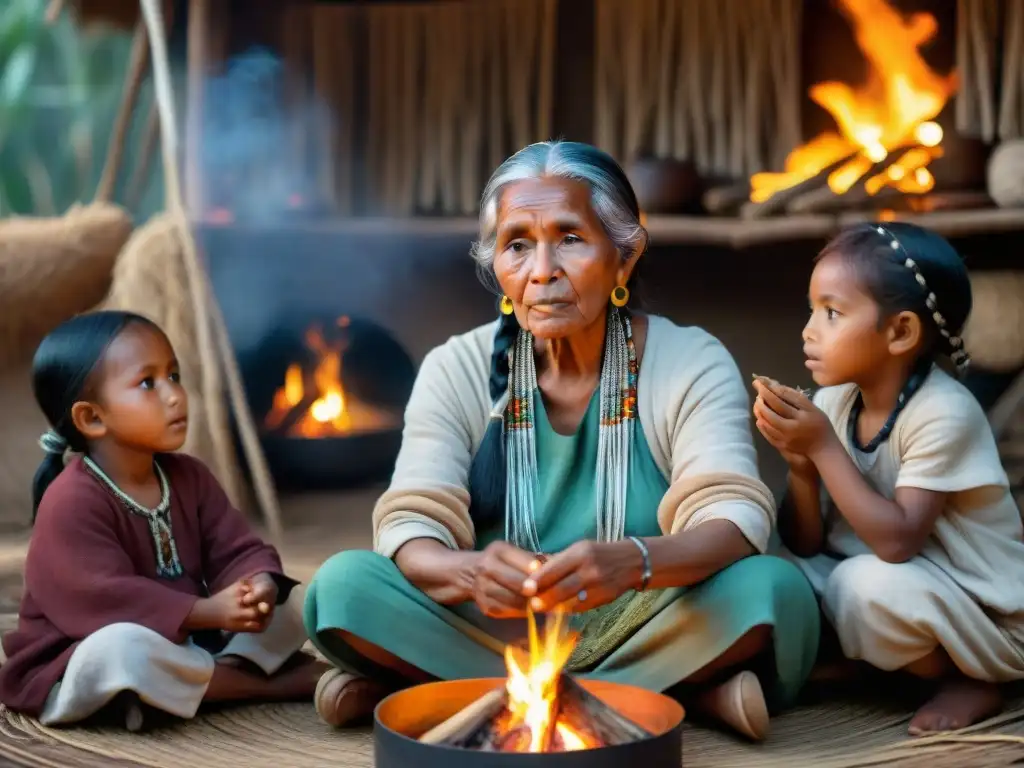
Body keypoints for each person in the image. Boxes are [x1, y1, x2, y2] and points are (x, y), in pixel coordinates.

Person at [304, 141, 820, 742]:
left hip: (648, 616)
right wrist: (469, 573)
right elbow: (412, 522)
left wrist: (634, 561)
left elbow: (732, 519)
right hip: (493, 630)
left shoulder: (689, 360)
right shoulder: (457, 367)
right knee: (341, 588)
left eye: (570, 239)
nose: (542, 269)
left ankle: (441, 693)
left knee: (773, 593)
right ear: (497, 267)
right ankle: (684, 694)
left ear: (624, 259)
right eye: (517, 244)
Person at [753, 222, 1024, 736]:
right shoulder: (836, 402)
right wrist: (800, 467)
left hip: (980, 612)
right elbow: (806, 541)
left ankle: (967, 678)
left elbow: (898, 542)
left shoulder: (943, 412)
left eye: (831, 313)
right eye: (812, 309)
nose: (809, 330)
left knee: (865, 587)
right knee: (781, 575)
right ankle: (878, 662)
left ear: (900, 332)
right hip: (889, 579)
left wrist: (822, 447)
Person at [0, 311, 326, 730]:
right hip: (79, 654)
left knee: (299, 602)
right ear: (92, 418)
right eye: (148, 383)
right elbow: (103, 599)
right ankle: (269, 684)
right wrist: (206, 611)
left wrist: (256, 586)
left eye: (173, 375)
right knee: (122, 651)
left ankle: (179, 691)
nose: (175, 395)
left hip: (190, 642)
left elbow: (236, 548)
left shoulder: (188, 476)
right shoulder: (71, 500)